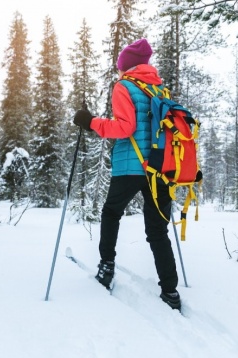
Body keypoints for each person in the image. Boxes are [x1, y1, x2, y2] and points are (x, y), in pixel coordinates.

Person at [73, 38, 181, 310]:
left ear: (126, 66)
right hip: (161, 167)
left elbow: (124, 128)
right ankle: (170, 292)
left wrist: (91, 123)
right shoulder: (160, 89)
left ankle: (106, 267)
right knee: (158, 230)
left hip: (131, 166)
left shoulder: (125, 86)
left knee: (111, 213)